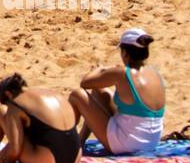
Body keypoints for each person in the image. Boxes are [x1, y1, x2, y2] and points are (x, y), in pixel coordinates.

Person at [69, 28, 166, 156]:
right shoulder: (155, 73)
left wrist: (100, 69)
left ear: (125, 53)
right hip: (151, 142)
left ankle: (67, 140)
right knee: (99, 91)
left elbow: (85, 83)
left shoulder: (121, 73)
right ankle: (80, 140)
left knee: (77, 95)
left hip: (128, 144)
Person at [0, 73, 81, 163]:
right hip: (74, 158)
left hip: (49, 161)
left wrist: (2, 160)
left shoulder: (15, 103)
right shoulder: (49, 93)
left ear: (8, 95)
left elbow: (15, 151)